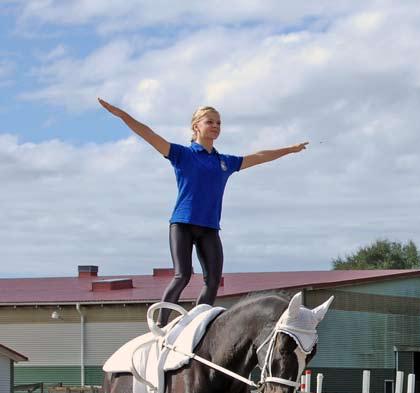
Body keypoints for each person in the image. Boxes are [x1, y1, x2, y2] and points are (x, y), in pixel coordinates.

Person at [98, 98, 308, 326]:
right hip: (183, 224)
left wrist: (290, 150)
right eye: (210, 122)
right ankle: (160, 326)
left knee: (213, 281)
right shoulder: (182, 155)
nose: (216, 126)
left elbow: (259, 156)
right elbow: (148, 134)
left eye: (219, 122)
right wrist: (122, 115)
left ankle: (194, 325)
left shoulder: (224, 162)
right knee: (183, 275)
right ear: (196, 126)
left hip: (209, 227)